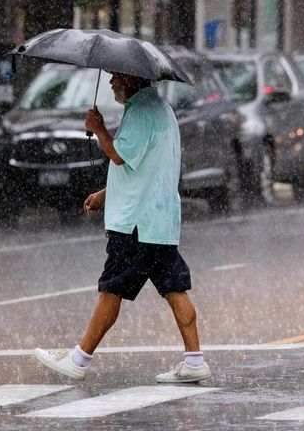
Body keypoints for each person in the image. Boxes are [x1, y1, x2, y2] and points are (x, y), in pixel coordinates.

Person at [34, 71, 210, 383]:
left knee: (111, 288)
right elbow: (144, 167)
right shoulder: (161, 109)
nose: (112, 82)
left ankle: (80, 358)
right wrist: (106, 193)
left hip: (135, 223)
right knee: (174, 287)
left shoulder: (142, 112)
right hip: (159, 221)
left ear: (131, 79)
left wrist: (99, 130)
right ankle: (194, 358)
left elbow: (119, 155)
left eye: (116, 77)